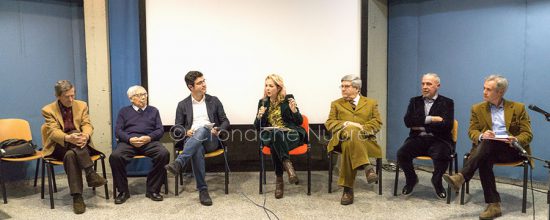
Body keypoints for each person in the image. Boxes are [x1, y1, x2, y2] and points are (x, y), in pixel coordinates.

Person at [444, 74, 533, 219]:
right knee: (486, 148)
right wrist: (482, 135)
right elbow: (472, 131)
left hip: (511, 149)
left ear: (500, 92)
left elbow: (528, 134)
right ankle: (494, 206)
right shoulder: (477, 108)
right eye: (484, 88)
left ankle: (462, 177)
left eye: (489, 89)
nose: (484, 92)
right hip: (487, 149)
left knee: (485, 151)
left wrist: (515, 139)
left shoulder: (518, 108)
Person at [41, 80, 107, 214]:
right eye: (67, 96)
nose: (71, 99)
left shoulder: (82, 105)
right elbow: (53, 132)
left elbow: (87, 124)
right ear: (58, 96)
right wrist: (68, 137)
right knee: (73, 136)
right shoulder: (48, 110)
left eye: (73, 95)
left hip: (79, 143)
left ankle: (77, 197)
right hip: (60, 145)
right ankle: (90, 173)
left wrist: (86, 136)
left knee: (71, 155)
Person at [165, 71, 230, 206]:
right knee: (197, 147)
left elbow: (225, 121)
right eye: (200, 83)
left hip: (211, 139)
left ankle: (179, 162)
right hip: (192, 140)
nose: (204, 84)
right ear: (190, 87)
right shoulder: (182, 105)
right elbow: (177, 127)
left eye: (204, 81)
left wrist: (217, 129)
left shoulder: (214, 100)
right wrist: (186, 131)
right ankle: (203, 190)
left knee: (203, 129)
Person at [325, 74, 382, 205]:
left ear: (357, 88)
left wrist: (360, 128)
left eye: (347, 86)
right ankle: (367, 167)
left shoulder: (371, 103)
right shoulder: (336, 104)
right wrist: (347, 124)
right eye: (342, 86)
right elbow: (329, 123)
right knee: (350, 131)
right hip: (340, 140)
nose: (343, 89)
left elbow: (377, 123)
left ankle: (347, 190)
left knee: (349, 146)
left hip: (365, 141)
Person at [396, 73, 454, 199]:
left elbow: (447, 125)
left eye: (429, 84)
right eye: (423, 83)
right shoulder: (414, 101)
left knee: (442, 155)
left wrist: (419, 125)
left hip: (439, 139)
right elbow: (408, 122)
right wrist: (431, 119)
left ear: (437, 85)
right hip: (418, 139)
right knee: (402, 153)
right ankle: (411, 179)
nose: (425, 87)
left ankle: (437, 181)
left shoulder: (447, 102)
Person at [109, 86, 170, 204]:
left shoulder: (154, 110)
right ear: (131, 99)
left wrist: (149, 137)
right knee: (115, 157)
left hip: (149, 142)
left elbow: (160, 130)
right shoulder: (124, 111)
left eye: (144, 94)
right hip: (129, 143)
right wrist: (130, 139)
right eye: (139, 95)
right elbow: (118, 131)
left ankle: (153, 189)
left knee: (163, 154)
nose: (143, 97)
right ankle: (122, 191)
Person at [254, 74, 307, 199]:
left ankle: (279, 181)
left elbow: (299, 122)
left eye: (271, 86)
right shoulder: (262, 102)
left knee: (275, 145)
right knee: (275, 134)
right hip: (271, 134)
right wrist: (259, 116)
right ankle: (288, 167)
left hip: (290, 134)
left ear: (278, 88)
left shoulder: (288, 99)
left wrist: (294, 111)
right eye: (266, 85)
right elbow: (257, 127)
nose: (267, 88)